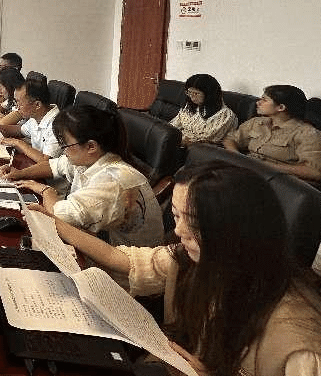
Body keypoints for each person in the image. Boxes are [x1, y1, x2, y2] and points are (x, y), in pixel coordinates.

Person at [30, 161, 321, 376]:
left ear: (238, 229)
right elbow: (122, 260)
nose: (179, 231)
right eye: (176, 216)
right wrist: (55, 224)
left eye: (192, 221)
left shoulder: (297, 341)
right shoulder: (194, 259)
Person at [13, 104, 163, 247]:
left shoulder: (112, 181)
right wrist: (20, 173)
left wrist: (46, 190)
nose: (63, 151)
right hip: (97, 242)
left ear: (91, 146)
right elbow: (53, 166)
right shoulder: (89, 158)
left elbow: (58, 217)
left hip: (119, 258)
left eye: (65, 145)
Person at [223, 84, 321, 181]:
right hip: (244, 169)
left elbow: (314, 172)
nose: (258, 102)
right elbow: (231, 139)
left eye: (264, 100)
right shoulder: (256, 122)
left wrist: (265, 166)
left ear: (281, 107)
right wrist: (236, 155)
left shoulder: (307, 133)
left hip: (274, 179)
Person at [0, 79, 60, 166]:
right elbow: (20, 130)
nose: (17, 107)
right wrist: (0, 128)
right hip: (34, 165)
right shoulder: (37, 116)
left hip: (47, 172)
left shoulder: (57, 124)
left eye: (20, 103)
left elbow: (46, 162)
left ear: (37, 105)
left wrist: (18, 143)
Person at [169, 74, 237, 146]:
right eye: (189, 92)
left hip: (197, 148)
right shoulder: (191, 106)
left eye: (196, 93)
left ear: (209, 94)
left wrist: (180, 140)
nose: (192, 97)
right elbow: (174, 124)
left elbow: (207, 139)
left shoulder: (225, 115)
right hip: (179, 141)